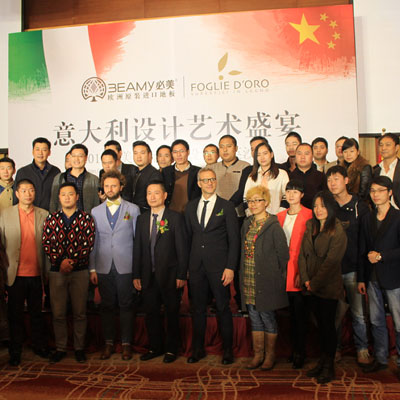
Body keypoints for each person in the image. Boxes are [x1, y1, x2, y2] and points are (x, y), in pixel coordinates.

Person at [185, 167, 239, 364]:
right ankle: (197, 349)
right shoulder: (190, 207)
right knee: (198, 309)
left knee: (223, 308)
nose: (209, 183)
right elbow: (188, 238)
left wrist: (230, 267)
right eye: (205, 180)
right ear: (199, 183)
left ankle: (228, 351)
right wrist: (187, 268)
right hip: (196, 267)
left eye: (212, 179)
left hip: (220, 267)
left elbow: (234, 240)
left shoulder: (227, 206)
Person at [134, 180, 188, 363]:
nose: (152, 197)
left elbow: (182, 248)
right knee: (151, 314)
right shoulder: (142, 219)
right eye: (149, 193)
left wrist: (182, 274)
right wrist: (136, 274)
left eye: (156, 193)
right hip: (148, 275)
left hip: (170, 275)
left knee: (172, 313)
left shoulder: (175, 218)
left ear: (164, 196)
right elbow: (138, 248)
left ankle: (172, 349)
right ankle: (155, 347)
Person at [42, 182, 95, 364]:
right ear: (59, 197)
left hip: (79, 271)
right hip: (57, 272)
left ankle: (79, 348)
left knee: (80, 312)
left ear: (77, 197)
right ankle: (61, 348)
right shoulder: (51, 219)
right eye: (63, 194)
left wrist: (71, 262)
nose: (67, 197)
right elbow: (47, 243)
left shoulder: (86, 218)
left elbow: (88, 243)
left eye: (70, 194)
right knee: (58, 313)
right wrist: (60, 262)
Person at [89, 170, 140, 361]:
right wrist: (92, 268)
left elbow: (137, 241)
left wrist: (137, 269)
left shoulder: (132, 209)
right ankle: (108, 343)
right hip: (103, 266)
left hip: (126, 266)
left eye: (114, 185)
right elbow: (93, 242)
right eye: (107, 186)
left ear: (121, 187)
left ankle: (126, 344)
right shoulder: (95, 211)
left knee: (126, 305)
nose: (110, 189)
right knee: (107, 306)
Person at [299, 191, 347, 384]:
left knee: (328, 327)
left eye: (323, 206)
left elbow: (332, 262)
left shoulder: (337, 229)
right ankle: (322, 362)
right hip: (310, 285)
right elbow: (303, 255)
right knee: (319, 325)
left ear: (330, 208)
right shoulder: (310, 225)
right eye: (315, 206)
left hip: (328, 286)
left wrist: (314, 283)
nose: (318, 210)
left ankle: (329, 367)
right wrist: (305, 279)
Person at [0, 179, 49, 366]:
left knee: (37, 314)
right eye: (24, 190)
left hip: (37, 274)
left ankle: (39, 346)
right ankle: (15, 351)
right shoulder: (5, 214)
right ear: (17, 194)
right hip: (14, 274)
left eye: (31, 190)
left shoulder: (44, 214)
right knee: (15, 315)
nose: (28, 194)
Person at [241, 185, 289, 370]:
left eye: (257, 200)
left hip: (267, 280)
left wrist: (277, 278)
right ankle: (258, 355)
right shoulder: (247, 224)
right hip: (249, 277)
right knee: (254, 317)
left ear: (266, 202)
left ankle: (270, 356)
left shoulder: (273, 226)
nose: (253, 204)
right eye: (250, 201)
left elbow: (283, 256)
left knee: (267, 317)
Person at [326, 166, 370, 365]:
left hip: (353, 268)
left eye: (336, 179)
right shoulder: (327, 205)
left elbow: (365, 241)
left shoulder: (360, 206)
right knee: (334, 314)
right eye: (329, 180)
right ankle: (335, 349)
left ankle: (362, 349)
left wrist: (362, 274)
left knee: (358, 314)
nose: (332, 183)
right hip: (333, 270)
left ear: (346, 180)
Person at [358, 176, 400, 378]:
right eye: (373, 191)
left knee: (399, 322)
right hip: (372, 277)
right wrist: (361, 278)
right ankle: (381, 359)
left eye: (380, 190)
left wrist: (382, 256)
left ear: (390, 192)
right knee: (376, 320)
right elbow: (362, 249)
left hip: (394, 277)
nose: (375, 194)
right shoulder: (367, 218)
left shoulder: (398, 217)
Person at [277, 180, 312, 369]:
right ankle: (292, 350)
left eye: (295, 192)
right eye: (288, 191)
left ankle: (301, 352)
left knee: (300, 314)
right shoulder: (279, 216)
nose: (291, 195)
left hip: (300, 268)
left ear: (302, 195)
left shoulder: (309, 215)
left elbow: (310, 248)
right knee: (288, 314)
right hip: (283, 269)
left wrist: (302, 272)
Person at [49, 143, 100, 213]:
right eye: (74, 156)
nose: (76, 159)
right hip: (63, 218)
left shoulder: (94, 180)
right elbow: (53, 202)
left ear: (86, 158)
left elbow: (96, 204)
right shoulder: (59, 178)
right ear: (70, 157)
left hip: (86, 218)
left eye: (80, 156)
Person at [14, 137, 60, 211]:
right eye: (37, 149)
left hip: (50, 213)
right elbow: (16, 197)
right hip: (28, 213)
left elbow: (58, 196)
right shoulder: (23, 172)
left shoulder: (55, 171)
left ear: (49, 152)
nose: (40, 153)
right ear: (33, 152)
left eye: (44, 150)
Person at [243, 142, 289, 215]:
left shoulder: (282, 174)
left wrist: (279, 214)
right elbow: (246, 198)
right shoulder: (252, 176)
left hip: (276, 216)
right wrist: (251, 214)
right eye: (258, 155)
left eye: (265, 153)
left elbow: (286, 197)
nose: (262, 157)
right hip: (256, 217)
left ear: (271, 154)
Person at [163, 139, 201, 213]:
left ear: (188, 152)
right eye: (175, 152)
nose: (178, 155)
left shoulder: (198, 171)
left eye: (182, 151)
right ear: (172, 154)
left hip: (191, 213)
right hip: (170, 213)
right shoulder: (166, 172)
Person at [209, 135, 250, 201]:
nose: (225, 150)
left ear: (236, 148)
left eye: (229, 146)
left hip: (239, 206)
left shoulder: (245, 167)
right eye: (221, 147)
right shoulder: (212, 168)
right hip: (217, 206)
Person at [290, 143, 326, 209]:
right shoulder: (289, 177)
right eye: (299, 154)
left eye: (306, 154)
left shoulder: (321, 177)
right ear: (295, 156)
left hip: (316, 213)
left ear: (312, 156)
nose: (302, 157)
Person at [132, 141, 162, 213]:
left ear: (149, 155)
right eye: (135, 153)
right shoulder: (134, 172)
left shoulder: (154, 174)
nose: (138, 156)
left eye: (142, 153)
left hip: (146, 213)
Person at [373, 133, 400, 209]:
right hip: (379, 212)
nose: (383, 148)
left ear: (397, 147)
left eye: (388, 145)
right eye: (381, 145)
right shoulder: (375, 170)